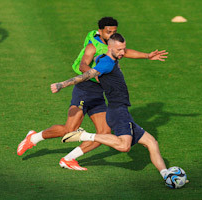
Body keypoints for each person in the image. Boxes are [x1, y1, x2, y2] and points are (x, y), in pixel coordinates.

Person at [17, 17, 168, 171]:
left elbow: (126, 52)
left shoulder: (113, 47)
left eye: (114, 32)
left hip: (99, 93)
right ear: (100, 31)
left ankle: (68, 159)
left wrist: (147, 55)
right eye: (108, 32)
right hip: (85, 90)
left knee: (104, 132)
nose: (111, 35)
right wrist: (96, 74)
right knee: (70, 129)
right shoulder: (92, 47)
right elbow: (83, 65)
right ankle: (34, 138)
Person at [50, 33, 169, 180]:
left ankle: (166, 175)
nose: (122, 52)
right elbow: (84, 76)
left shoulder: (106, 58)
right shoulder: (106, 63)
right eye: (119, 50)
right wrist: (62, 84)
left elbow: (99, 57)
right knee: (124, 146)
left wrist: (147, 56)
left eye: (123, 49)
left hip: (122, 110)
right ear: (110, 47)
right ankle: (83, 135)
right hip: (117, 111)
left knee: (151, 142)